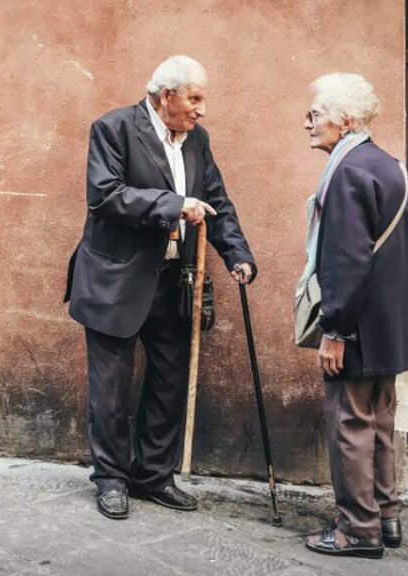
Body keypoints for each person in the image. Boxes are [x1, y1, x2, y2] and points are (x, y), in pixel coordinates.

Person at [64, 55, 256, 520]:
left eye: (202, 99)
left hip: (174, 282)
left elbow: (217, 201)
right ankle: (111, 479)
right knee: (110, 391)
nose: (201, 109)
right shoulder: (113, 129)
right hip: (116, 281)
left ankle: (153, 475)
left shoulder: (198, 140)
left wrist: (238, 255)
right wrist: (173, 204)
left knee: (169, 384)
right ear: (166, 95)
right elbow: (105, 195)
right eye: (194, 98)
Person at [299, 73, 408, 558]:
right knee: (380, 421)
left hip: (357, 328)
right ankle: (386, 517)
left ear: (345, 120)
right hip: (389, 327)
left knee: (350, 423)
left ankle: (357, 529)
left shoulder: (348, 170)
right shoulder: (389, 164)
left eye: (316, 114)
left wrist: (335, 330)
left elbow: (347, 259)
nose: (308, 122)